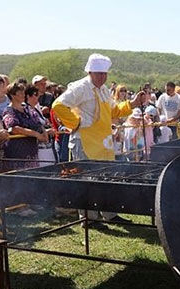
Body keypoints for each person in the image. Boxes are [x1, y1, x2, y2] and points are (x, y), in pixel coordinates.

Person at [52, 53, 145, 224]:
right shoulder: (80, 87)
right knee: (86, 181)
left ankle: (109, 214)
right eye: (99, 73)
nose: (103, 77)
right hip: (85, 141)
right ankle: (88, 218)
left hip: (103, 142)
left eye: (105, 74)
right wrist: (75, 122)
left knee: (106, 178)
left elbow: (113, 112)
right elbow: (58, 105)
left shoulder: (103, 89)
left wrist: (132, 104)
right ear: (90, 73)